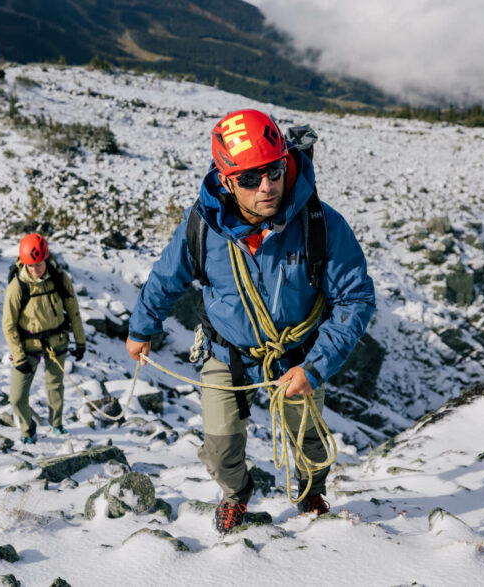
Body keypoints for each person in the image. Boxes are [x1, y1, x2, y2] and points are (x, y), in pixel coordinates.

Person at [125, 109, 375, 533]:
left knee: (309, 440)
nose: (267, 186)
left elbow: (355, 298)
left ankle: (311, 489)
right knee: (221, 447)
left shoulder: (320, 224)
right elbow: (167, 277)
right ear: (225, 180)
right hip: (229, 352)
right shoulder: (203, 228)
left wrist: (314, 367)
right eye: (249, 178)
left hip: (300, 353)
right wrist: (141, 328)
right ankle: (236, 494)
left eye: (274, 170)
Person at [3, 233, 86, 443]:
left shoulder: (59, 278)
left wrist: (80, 341)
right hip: (28, 347)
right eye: (30, 265)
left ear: (46, 260)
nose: (35, 270)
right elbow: (9, 325)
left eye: (38, 264)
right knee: (17, 398)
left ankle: (56, 424)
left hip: (57, 342)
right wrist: (18, 356)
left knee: (55, 386)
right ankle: (28, 429)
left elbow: (73, 310)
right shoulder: (17, 287)